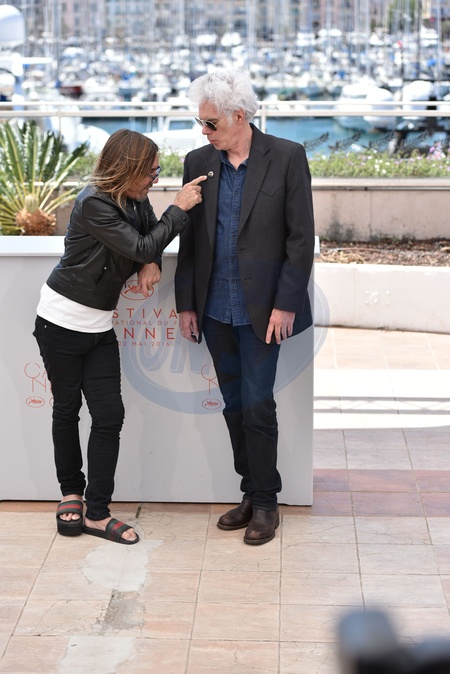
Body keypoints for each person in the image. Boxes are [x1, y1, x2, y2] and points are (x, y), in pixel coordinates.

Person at [33, 129, 206, 545]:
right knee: (67, 411)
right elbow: (142, 243)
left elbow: (148, 241)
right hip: (60, 322)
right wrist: (177, 209)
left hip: (98, 326)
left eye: (157, 171)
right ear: (127, 169)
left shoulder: (135, 199)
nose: (154, 180)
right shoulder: (94, 202)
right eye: (150, 172)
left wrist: (152, 262)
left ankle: (97, 513)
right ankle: (70, 493)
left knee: (110, 416)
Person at [175, 70, 315, 546]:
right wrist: (187, 304)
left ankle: (267, 502)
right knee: (233, 406)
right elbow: (191, 240)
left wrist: (285, 304)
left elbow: (300, 238)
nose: (204, 131)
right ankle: (250, 493)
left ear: (239, 116)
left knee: (257, 406)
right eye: (200, 122)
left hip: (264, 311)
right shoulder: (198, 161)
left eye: (211, 123)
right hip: (214, 309)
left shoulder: (287, 156)